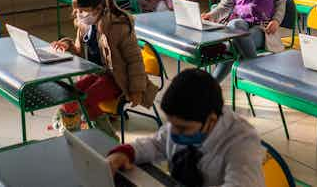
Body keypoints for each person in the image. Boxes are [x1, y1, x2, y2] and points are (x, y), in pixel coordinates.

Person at [106, 68, 265, 187]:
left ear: (211, 120)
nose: (174, 132)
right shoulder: (184, 121)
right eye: (171, 123)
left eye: (182, 128)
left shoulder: (242, 143)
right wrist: (126, 153)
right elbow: (155, 144)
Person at [51, 0, 158, 136]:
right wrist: (67, 45)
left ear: (98, 9)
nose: (79, 15)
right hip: (97, 74)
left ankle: (107, 139)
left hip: (118, 79)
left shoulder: (119, 27)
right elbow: (79, 52)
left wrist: (137, 90)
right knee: (69, 96)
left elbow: (135, 61)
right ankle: (72, 131)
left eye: (83, 11)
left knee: (86, 100)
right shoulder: (84, 25)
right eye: (77, 11)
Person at [202, 0, 285, 83]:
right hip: (242, 25)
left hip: (264, 29)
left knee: (233, 48)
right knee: (234, 24)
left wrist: (276, 21)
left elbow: (280, 0)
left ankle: (211, 86)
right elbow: (224, 6)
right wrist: (210, 15)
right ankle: (255, 71)